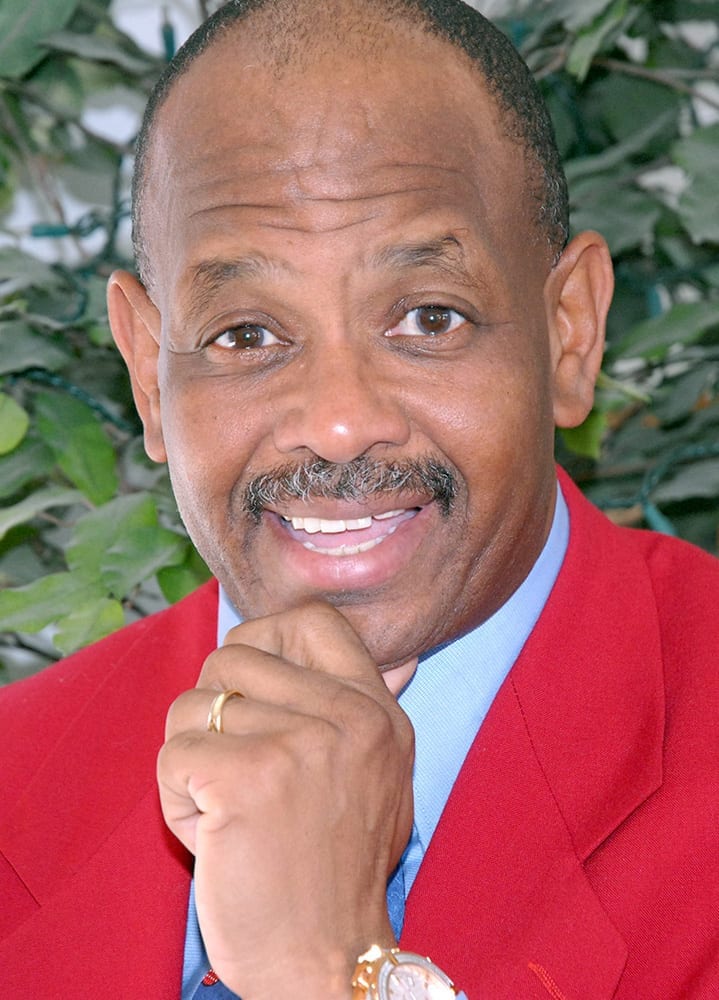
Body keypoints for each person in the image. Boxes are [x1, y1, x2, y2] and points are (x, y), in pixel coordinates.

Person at [1, 0, 718, 997]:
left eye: (428, 317)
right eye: (245, 335)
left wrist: (336, 970)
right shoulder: (15, 783)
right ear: (147, 374)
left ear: (567, 333)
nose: (338, 424)